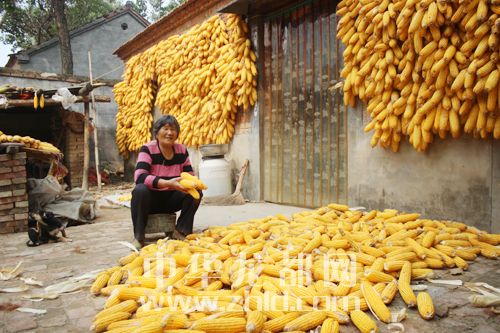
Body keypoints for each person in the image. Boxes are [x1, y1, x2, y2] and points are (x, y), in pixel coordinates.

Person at [131, 115, 202, 248]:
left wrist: (193, 182)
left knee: (195, 191)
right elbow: (139, 177)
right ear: (157, 133)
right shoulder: (147, 149)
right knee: (140, 190)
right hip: (151, 199)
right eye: (166, 128)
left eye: (173, 129)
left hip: (171, 198)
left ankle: (180, 230)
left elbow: (189, 175)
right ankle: (139, 237)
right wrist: (168, 183)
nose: (170, 133)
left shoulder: (181, 150)